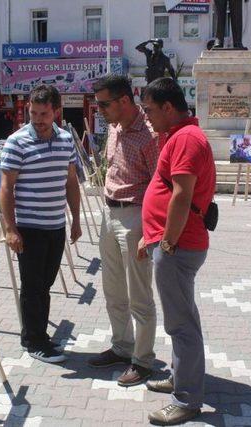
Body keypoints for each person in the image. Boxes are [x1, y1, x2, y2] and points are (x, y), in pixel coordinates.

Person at [140, 78, 216, 425]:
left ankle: (185, 399)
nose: (148, 118)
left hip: (178, 245)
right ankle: (180, 376)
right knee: (184, 317)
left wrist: (167, 242)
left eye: (151, 110)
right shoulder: (181, 135)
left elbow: (181, 195)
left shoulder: (185, 138)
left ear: (168, 108)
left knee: (180, 323)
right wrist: (153, 236)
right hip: (174, 241)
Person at [86, 75, 159, 386]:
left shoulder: (151, 135)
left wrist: (151, 230)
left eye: (104, 104)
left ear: (124, 101)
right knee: (113, 288)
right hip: (110, 213)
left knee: (139, 294)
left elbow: (161, 184)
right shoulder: (115, 128)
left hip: (136, 216)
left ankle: (143, 360)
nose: (99, 109)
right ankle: (122, 346)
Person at [0, 84, 82, 364]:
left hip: (55, 226)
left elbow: (71, 181)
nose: (37, 119)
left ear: (56, 112)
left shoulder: (65, 140)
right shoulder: (16, 141)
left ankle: (36, 335)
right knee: (33, 286)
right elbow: (6, 188)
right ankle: (35, 341)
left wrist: (76, 220)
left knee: (44, 285)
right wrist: (10, 229)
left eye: (44, 113)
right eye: (33, 113)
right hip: (29, 228)